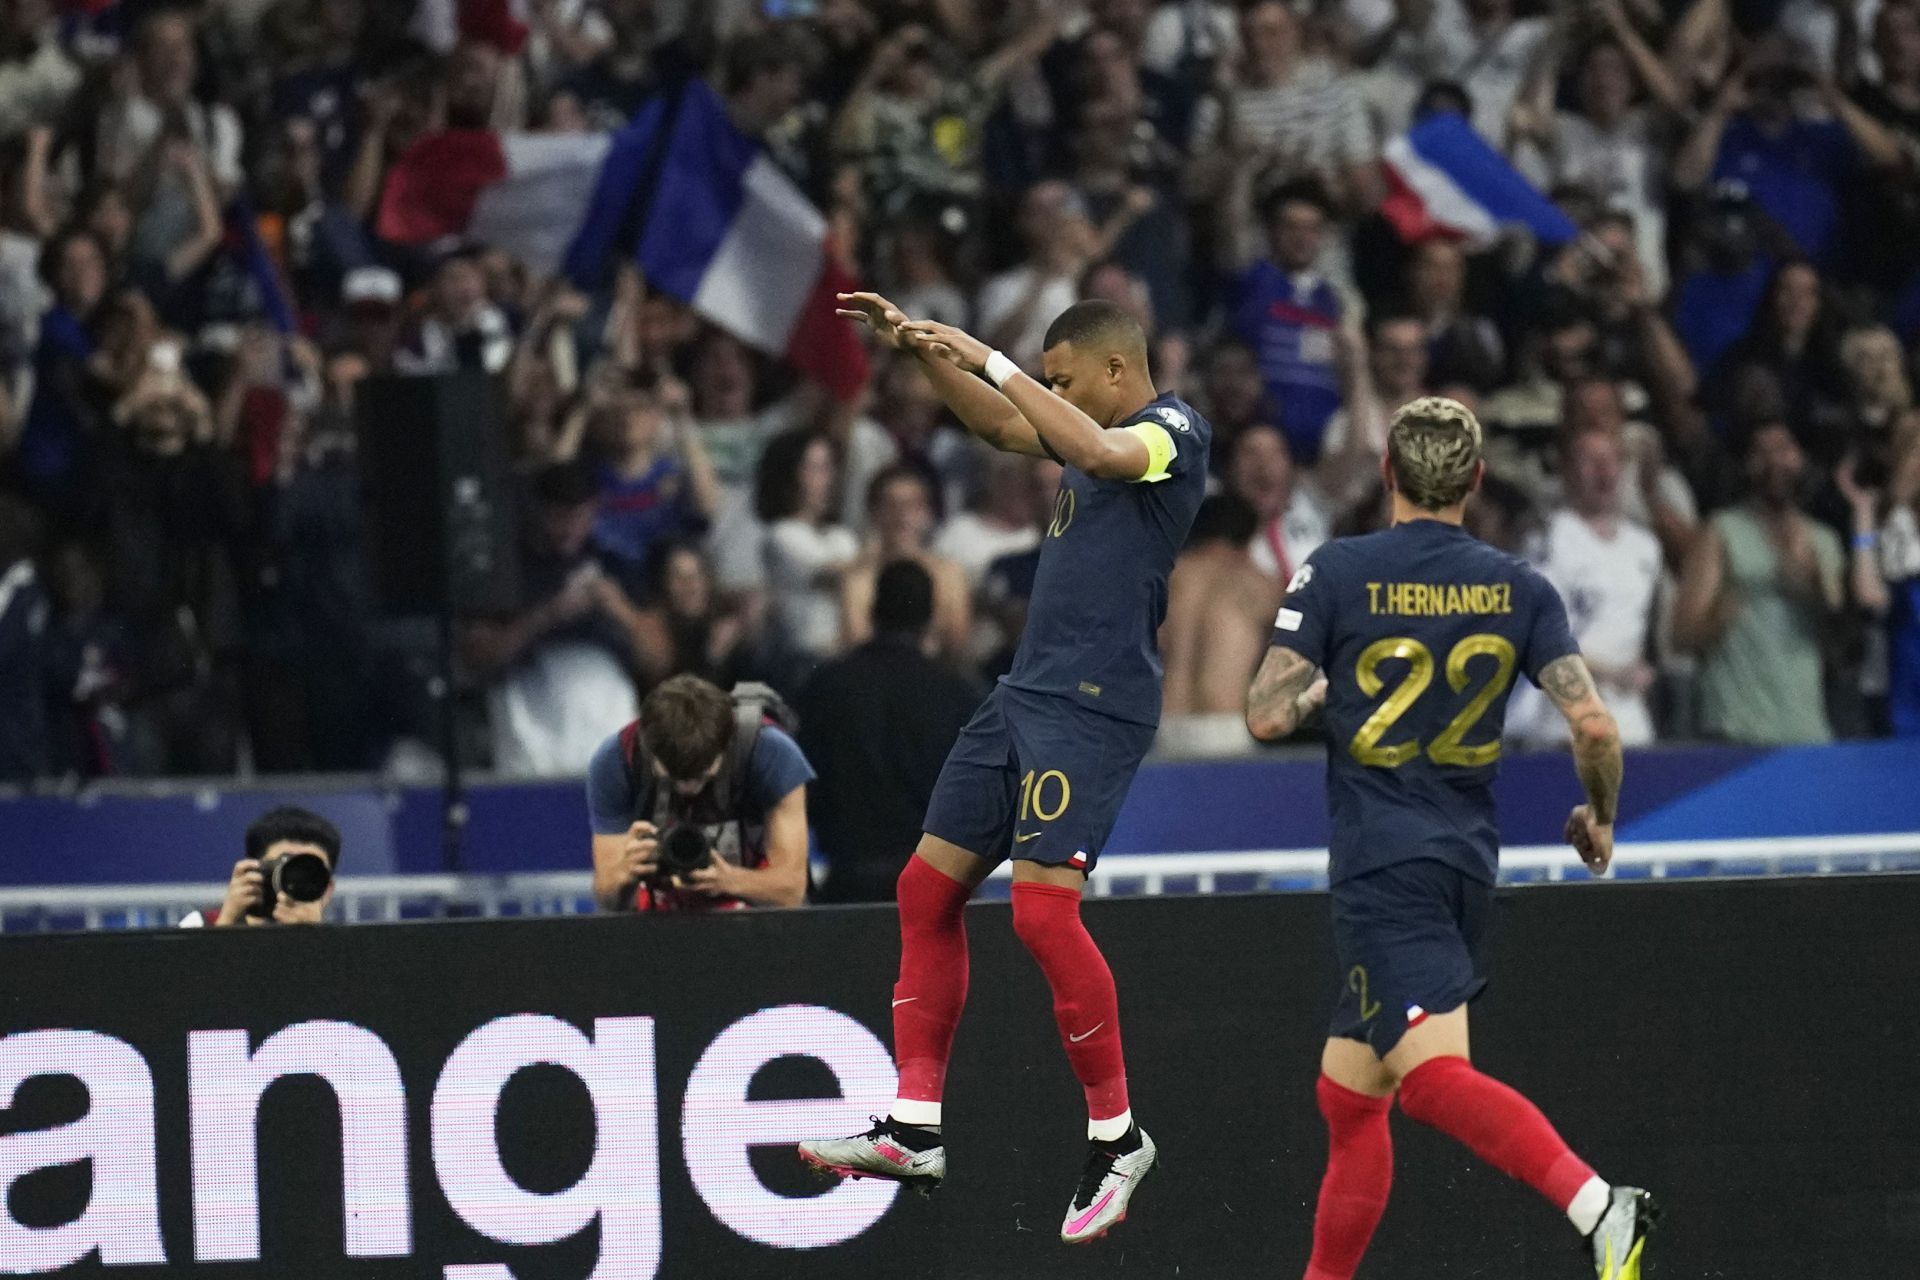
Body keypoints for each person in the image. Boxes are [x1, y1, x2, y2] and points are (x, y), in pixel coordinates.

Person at [796, 295, 1208, 1243]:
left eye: (1062, 379)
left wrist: (988, 355)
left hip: (1092, 707)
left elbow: (1093, 449)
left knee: (1039, 911)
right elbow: (993, 418)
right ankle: (914, 1127)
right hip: (1024, 694)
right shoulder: (1084, 428)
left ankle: (1118, 1134)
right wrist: (922, 349)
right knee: (924, 889)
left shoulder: (1170, 431)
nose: (1049, 395)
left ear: (1115, 370)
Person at [1243, 396, 1655, 1279]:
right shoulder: (1521, 586)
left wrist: (1316, 696)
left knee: (1427, 1084)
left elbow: (1265, 714)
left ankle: (1598, 1206)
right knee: (1351, 1096)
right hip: (1463, 865)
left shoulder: (1339, 571)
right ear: (1474, 481)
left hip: (1381, 868)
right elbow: (1596, 728)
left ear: (1387, 474)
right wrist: (1602, 815)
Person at [799, 560, 983, 903]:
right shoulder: (957, 694)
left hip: (851, 885)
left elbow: (807, 786)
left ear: (872, 611)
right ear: (931, 618)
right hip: (939, 889)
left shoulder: (828, 686)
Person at [1673, 419, 1845, 744]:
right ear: (1746, 464)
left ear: (1802, 458)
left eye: (1783, 449)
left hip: (1807, 728)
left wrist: (1813, 593)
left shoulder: (1824, 542)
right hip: (1735, 726)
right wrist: (1718, 618)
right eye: (1760, 452)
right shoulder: (1722, 531)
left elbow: (1840, 648)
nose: (1773, 462)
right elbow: (1681, 635)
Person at [584, 674, 814, 913]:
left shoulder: (770, 752)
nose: (688, 789)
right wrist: (624, 874)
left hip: (755, 921)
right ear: (649, 750)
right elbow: (608, 901)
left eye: (703, 777)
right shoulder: (617, 760)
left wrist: (729, 881)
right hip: (658, 922)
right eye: (673, 779)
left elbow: (791, 892)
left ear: (726, 745)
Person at [1506, 428, 1663, 747]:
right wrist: (1611, 673)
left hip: (1630, 721)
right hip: (1561, 721)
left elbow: (1639, 629)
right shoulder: (1549, 540)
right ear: (1566, 471)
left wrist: (1636, 672)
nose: (1603, 470)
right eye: (1589, 461)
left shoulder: (1644, 547)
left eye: (1610, 460)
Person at [185, 806, 342, 928]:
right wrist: (226, 926)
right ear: (252, 871)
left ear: (328, 890)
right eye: (284, 866)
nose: (294, 880)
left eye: (310, 872)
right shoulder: (197, 925)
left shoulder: (346, 947)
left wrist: (316, 940)